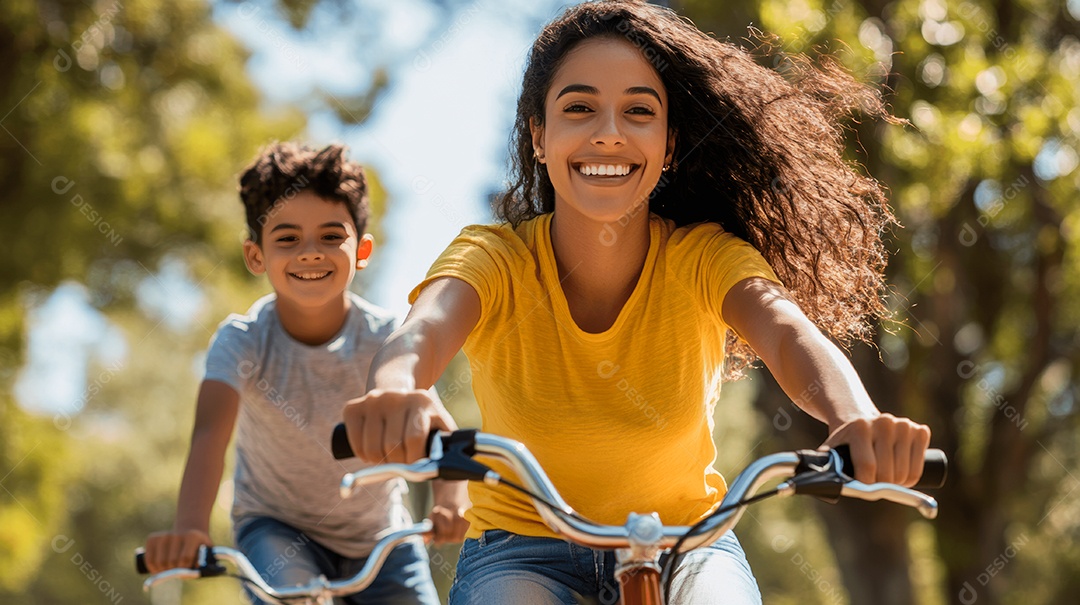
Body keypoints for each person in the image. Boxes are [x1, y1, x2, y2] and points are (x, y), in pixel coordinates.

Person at [343, 1, 931, 603]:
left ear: (669, 143)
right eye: (578, 108)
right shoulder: (496, 258)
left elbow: (786, 333)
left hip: (687, 542)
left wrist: (855, 419)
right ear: (538, 137)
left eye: (638, 112)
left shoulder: (703, 258)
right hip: (520, 547)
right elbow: (423, 331)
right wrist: (397, 390)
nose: (608, 131)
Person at [143, 142, 468, 605]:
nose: (311, 253)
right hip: (276, 526)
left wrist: (449, 500)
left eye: (332, 236)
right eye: (288, 239)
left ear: (362, 251)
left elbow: (439, 430)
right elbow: (208, 437)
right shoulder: (242, 342)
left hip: (380, 536)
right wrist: (191, 528)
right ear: (256, 256)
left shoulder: (386, 338)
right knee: (293, 596)